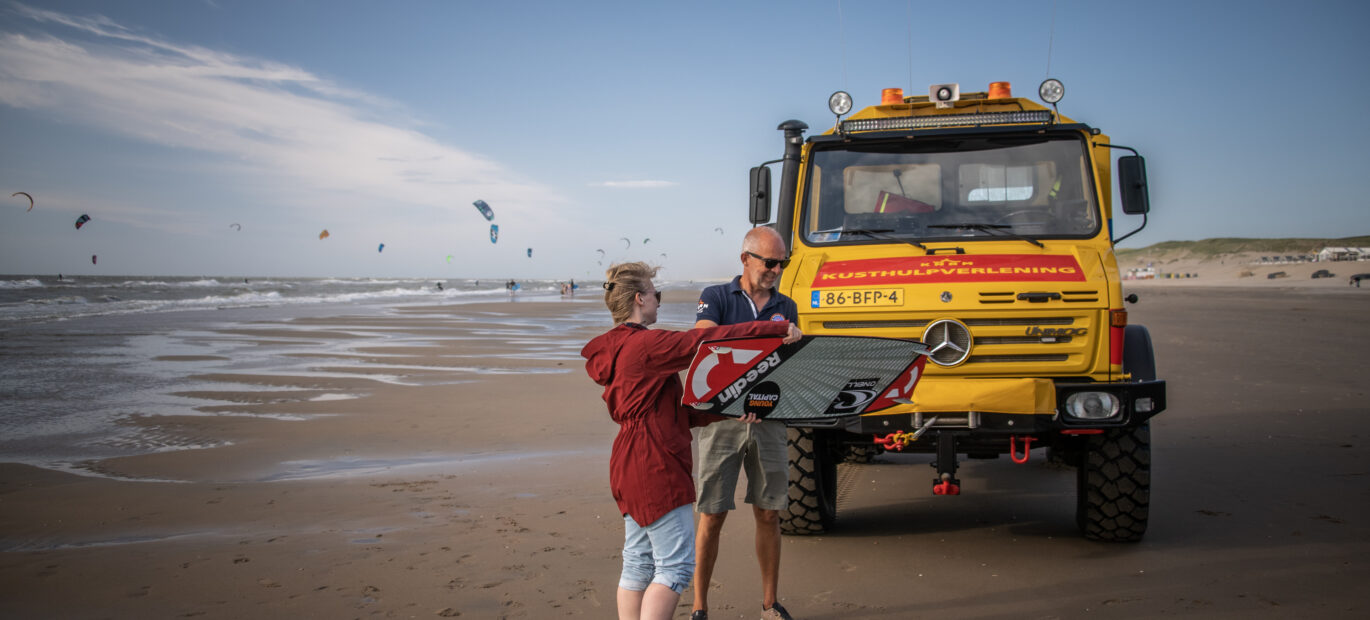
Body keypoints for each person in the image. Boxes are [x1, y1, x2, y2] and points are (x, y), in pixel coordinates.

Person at [582, 261, 800, 620]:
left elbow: (675, 411)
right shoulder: (646, 345)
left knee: (638, 562)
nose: (659, 302)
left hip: (627, 459)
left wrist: (729, 412)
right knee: (674, 568)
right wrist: (771, 331)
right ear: (640, 299)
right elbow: (705, 340)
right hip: (656, 462)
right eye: (656, 294)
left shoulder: (616, 347)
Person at [691, 227, 800, 620]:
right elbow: (704, 341)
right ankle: (699, 607)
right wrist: (766, 331)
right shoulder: (716, 296)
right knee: (712, 514)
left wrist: (793, 342)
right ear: (745, 259)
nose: (776, 270)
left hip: (769, 419)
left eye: (781, 264)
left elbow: (788, 369)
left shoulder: (787, 305)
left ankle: (770, 604)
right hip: (721, 420)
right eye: (770, 262)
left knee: (769, 512)